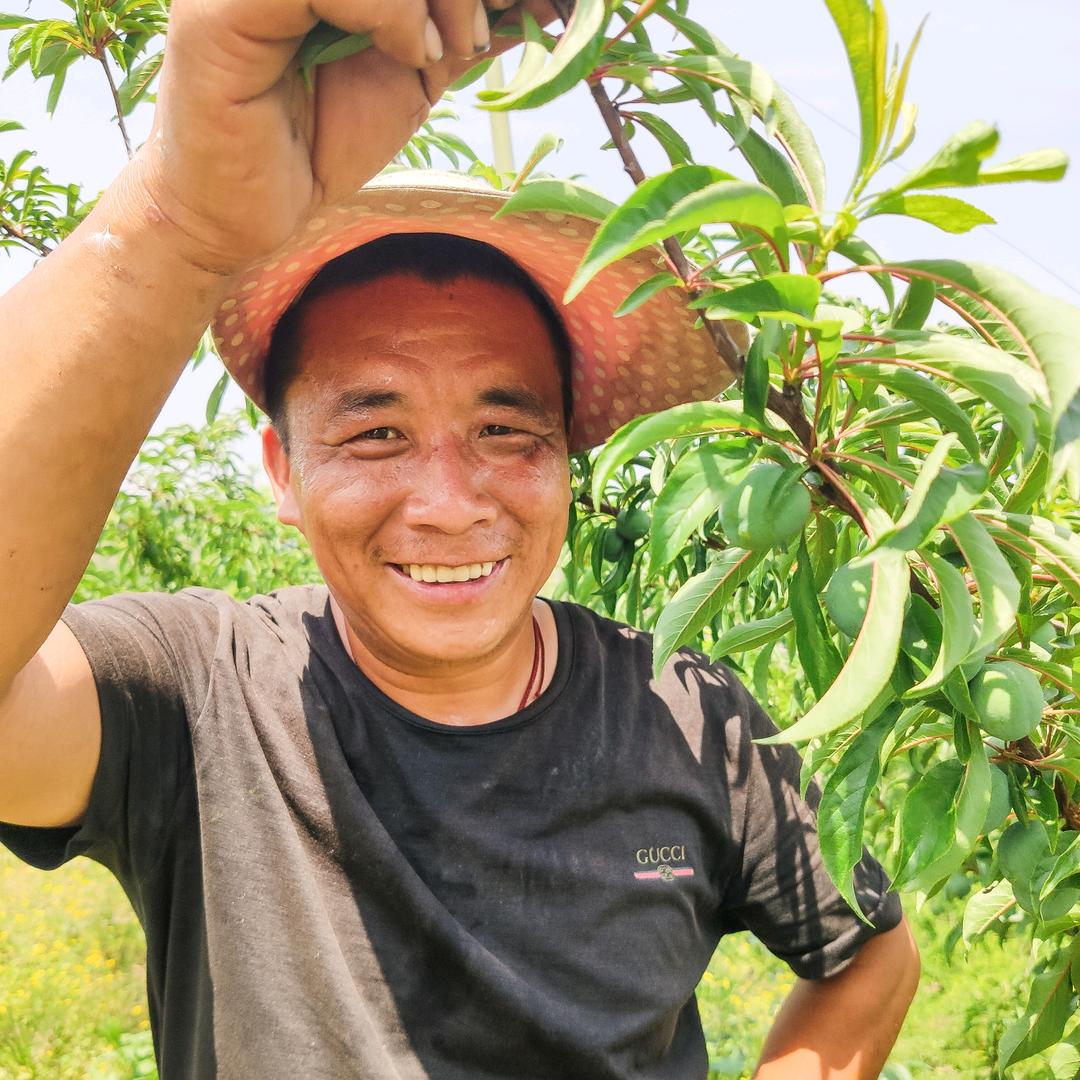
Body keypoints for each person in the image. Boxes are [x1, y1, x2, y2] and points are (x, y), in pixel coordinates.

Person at [0, 1, 920, 1077]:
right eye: (376, 433)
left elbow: (872, 953)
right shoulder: (200, 699)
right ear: (284, 472)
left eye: (505, 431)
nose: (447, 503)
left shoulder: (689, 715)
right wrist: (178, 216)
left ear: (567, 459)